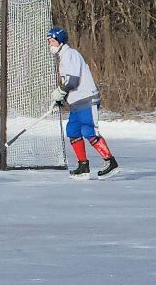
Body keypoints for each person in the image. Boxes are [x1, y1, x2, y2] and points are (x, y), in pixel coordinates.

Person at [49, 26, 118, 179]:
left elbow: (72, 81)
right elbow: (68, 82)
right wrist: (62, 98)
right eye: (49, 41)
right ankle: (83, 165)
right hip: (76, 103)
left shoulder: (70, 55)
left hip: (87, 100)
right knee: (73, 131)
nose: (51, 44)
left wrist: (61, 91)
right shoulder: (63, 57)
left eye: (52, 41)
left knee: (88, 131)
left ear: (60, 41)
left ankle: (110, 162)